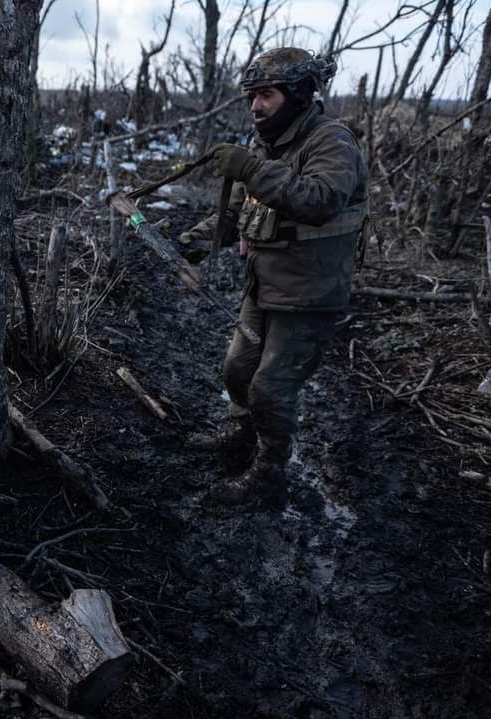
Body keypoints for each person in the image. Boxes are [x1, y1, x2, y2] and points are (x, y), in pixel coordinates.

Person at [180, 48, 368, 510]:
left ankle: (269, 477)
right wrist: (197, 239)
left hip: (309, 293)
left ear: (300, 94)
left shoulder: (332, 142)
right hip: (265, 284)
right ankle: (245, 439)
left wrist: (249, 166)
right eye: (252, 97)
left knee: (271, 388)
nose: (256, 106)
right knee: (237, 371)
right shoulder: (270, 142)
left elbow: (320, 200)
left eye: (266, 95)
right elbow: (244, 209)